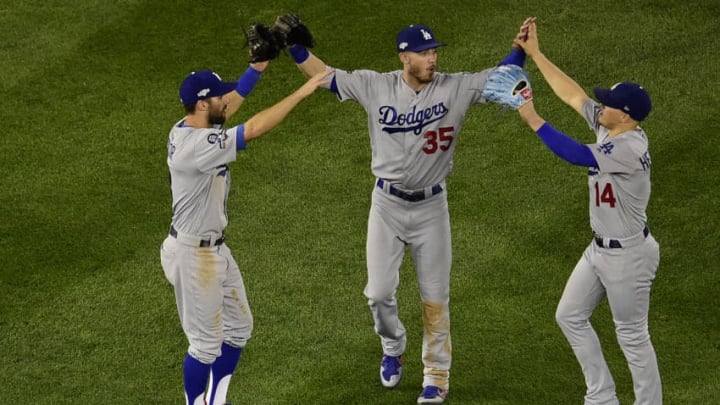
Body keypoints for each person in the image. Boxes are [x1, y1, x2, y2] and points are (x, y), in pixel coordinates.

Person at [276, 15, 533, 404]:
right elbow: (324, 77)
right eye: (424, 53)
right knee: (378, 293)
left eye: (433, 52)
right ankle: (393, 347)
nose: (432, 59)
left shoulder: (455, 86)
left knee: (435, 297)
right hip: (387, 205)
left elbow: (500, 77)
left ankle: (437, 375)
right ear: (404, 57)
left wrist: (520, 48)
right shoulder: (374, 86)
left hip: (432, 207)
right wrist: (296, 49)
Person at [160, 58, 330, 405]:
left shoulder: (187, 126)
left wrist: (258, 67)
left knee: (238, 329)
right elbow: (250, 129)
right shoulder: (196, 148)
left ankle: (216, 400)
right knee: (205, 346)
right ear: (203, 104)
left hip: (212, 249)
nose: (228, 99)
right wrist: (303, 90)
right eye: (220, 96)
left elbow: (230, 108)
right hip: (193, 256)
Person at [514, 19, 662, 405]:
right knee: (569, 316)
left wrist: (534, 120)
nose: (602, 106)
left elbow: (578, 155)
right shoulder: (611, 127)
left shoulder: (628, 148)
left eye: (609, 104)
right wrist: (536, 55)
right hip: (599, 251)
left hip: (629, 256)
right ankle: (602, 397)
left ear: (626, 117)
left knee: (632, 335)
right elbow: (573, 95)